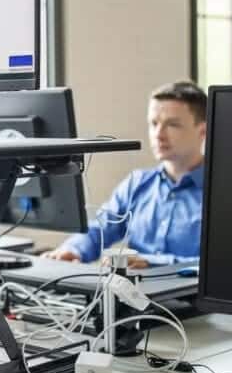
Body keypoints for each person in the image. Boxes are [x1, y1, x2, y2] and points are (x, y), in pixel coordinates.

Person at [44, 80, 207, 268]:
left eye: (172, 125)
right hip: (133, 294)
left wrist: (152, 263)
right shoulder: (137, 183)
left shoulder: (224, 194)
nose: (158, 134)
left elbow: (223, 265)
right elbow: (100, 229)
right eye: (154, 123)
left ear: (202, 131)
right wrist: (73, 250)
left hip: (188, 296)